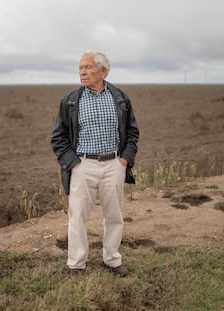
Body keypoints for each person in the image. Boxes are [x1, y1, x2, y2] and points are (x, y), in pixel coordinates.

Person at [51, 51, 139, 277]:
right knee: (78, 216)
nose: (82, 71)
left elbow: (132, 132)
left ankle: (112, 259)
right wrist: (73, 163)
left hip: (113, 164)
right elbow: (58, 137)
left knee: (114, 216)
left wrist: (124, 159)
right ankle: (76, 264)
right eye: (80, 67)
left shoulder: (120, 97)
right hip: (83, 165)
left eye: (88, 67)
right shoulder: (70, 100)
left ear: (103, 71)